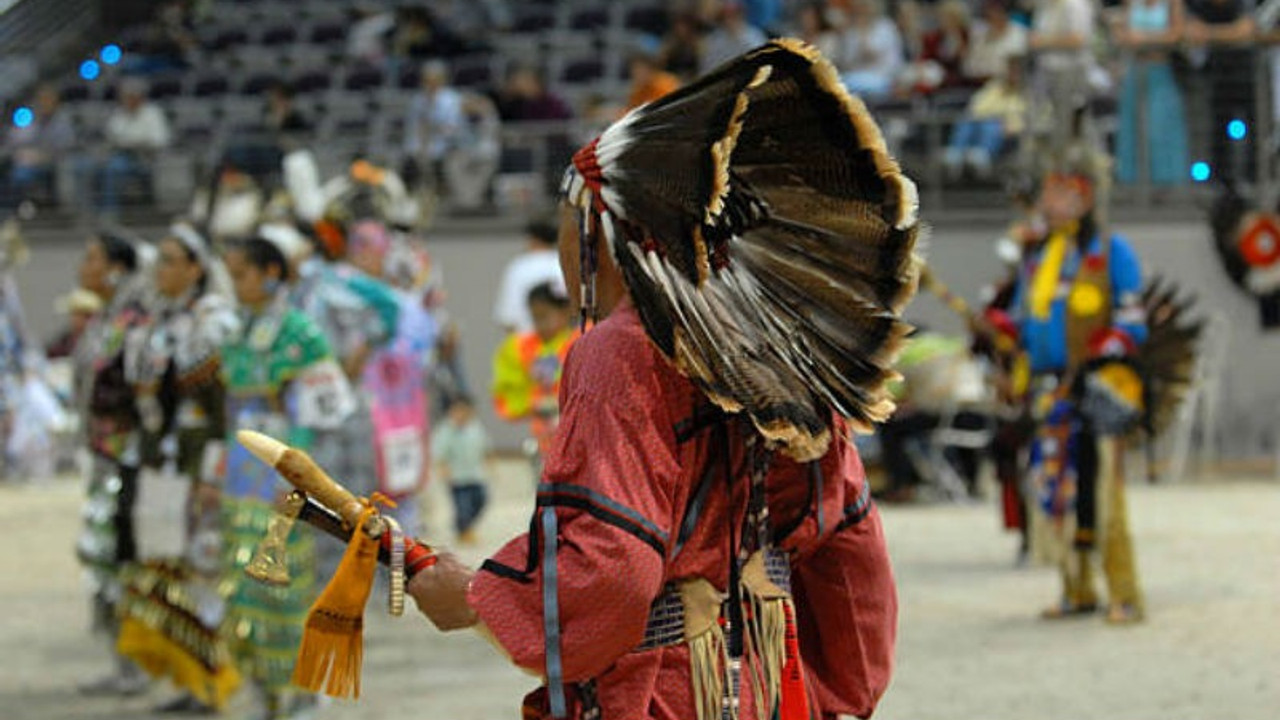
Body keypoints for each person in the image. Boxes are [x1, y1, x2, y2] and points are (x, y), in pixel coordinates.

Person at [408, 41, 909, 720]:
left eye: (566, 223)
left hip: (662, 693)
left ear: (598, 230)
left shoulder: (618, 353)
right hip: (771, 681)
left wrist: (478, 598)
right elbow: (847, 535)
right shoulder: (780, 336)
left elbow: (611, 569)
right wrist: (841, 687)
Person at [1010, 148, 1149, 624]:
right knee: (1056, 489)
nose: (1047, 200)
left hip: (1098, 388)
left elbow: (1133, 319)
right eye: (1047, 190)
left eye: (1058, 191)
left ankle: (1124, 592)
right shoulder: (1042, 256)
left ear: (1083, 197)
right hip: (1052, 389)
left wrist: (1104, 350)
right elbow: (1024, 319)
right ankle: (1077, 587)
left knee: (1104, 494)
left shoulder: (1111, 251)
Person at [115, 223, 242, 714]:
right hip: (160, 462)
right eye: (159, 260)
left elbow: (224, 408)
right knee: (167, 564)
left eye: (171, 260)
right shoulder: (155, 320)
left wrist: (214, 472)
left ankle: (216, 679)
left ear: (196, 268)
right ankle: (190, 678)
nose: (161, 270)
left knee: (203, 565)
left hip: (199, 465)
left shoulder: (214, 324)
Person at [220, 233, 344, 719]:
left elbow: (324, 414)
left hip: (284, 477)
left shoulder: (302, 334)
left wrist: (298, 477)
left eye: (243, 275)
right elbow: (227, 410)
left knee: (284, 583)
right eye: (231, 276)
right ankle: (260, 688)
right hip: (240, 474)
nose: (236, 285)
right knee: (242, 580)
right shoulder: (235, 331)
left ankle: (303, 691)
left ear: (271, 273)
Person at [73, 230, 152, 696]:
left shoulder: (133, 322)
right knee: (104, 556)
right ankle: (124, 661)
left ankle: (136, 664)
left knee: (121, 556)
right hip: (106, 456)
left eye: (92, 258)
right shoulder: (108, 319)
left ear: (116, 268)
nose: (84, 267)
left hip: (130, 458)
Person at [346, 219, 436, 537]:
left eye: (370, 249)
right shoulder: (341, 297)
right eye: (358, 248)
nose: (364, 257)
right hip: (360, 413)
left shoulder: (404, 306)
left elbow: (419, 357)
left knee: (400, 497)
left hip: (400, 412)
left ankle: (399, 571)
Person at [491, 282, 578, 469]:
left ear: (566, 312)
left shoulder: (580, 340)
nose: (539, 324)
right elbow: (507, 389)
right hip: (543, 439)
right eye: (535, 318)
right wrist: (532, 405)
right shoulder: (522, 348)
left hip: (579, 438)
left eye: (545, 317)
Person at [1114, 0, 1190, 187]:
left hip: (1160, 70)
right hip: (1136, 70)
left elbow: (1178, 33)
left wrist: (1145, 39)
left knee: (1160, 126)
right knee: (1131, 125)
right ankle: (1132, 181)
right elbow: (1122, 33)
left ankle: (1165, 181)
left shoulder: (1173, 3)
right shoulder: (1131, 3)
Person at [1185, 0, 1256, 182]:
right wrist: (1227, 33)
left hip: (1246, 74)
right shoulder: (1198, 5)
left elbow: (1246, 30)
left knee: (1251, 127)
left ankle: (1252, 176)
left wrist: (1210, 33)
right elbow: (1191, 30)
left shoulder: (1243, 4)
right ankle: (1222, 180)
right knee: (1218, 128)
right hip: (1215, 75)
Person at [90, 78, 172, 215]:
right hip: (121, 155)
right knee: (95, 168)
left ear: (140, 97)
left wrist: (135, 142)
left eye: (132, 97)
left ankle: (110, 212)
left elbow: (160, 140)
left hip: (145, 158)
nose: (128, 100)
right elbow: (112, 136)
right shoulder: (119, 114)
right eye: (125, 97)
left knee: (113, 169)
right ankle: (96, 210)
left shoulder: (153, 113)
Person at [1028, 0, 1097, 154]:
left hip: (1070, 71)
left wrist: (1044, 42)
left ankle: (1075, 171)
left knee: (1069, 125)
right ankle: (1053, 170)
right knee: (1045, 125)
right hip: (1045, 71)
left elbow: (1078, 39)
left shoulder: (1076, 5)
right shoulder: (1045, 6)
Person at [944, 55, 1029, 178]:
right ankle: (954, 155)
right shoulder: (995, 87)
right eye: (1011, 70)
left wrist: (1010, 126)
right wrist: (993, 115)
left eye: (1016, 71)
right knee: (966, 119)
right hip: (983, 123)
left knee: (991, 126)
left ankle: (981, 157)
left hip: (1007, 132)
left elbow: (1031, 120)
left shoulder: (1029, 92)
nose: (1012, 74)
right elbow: (976, 106)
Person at [430, 395, 491, 545]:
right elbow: (440, 453)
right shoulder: (446, 431)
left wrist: (490, 462)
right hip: (457, 478)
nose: (461, 415)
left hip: (475, 475)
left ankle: (463, 527)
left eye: (465, 411)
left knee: (481, 500)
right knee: (462, 507)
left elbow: (485, 446)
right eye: (457, 411)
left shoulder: (475, 428)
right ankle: (464, 531)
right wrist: (443, 468)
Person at [2, 84, 74, 209]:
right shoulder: (34, 119)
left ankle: (23, 208)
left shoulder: (63, 122)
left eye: (47, 101)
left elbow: (63, 150)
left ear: (55, 103)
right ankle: (14, 211)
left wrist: (39, 157)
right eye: (41, 101)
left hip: (55, 163)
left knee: (21, 174)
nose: (44, 104)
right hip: (32, 162)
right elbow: (18, 140)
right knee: (11, 168)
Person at [492, 217, 564, 334]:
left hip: (526, 343)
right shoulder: (563, 264)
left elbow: (508, 318)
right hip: (564, 343)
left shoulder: (518, 267)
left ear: (533, 240)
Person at [404, 61, 465, 194]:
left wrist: (435, 129)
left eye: (434, 80)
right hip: (422, 144)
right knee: (411, 157)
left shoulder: (452, 99)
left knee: (440, 159)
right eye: (427, 80)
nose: (430, 84)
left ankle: (441, 190)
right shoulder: (418, 100)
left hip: (446, 143)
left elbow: (453, 127)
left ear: (441, 80)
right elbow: (413, 127)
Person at [834, 0, 904, 99]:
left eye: (865, 6)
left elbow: (894, 60)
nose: (862, 10)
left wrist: (865, 39)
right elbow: (846, 61)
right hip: (855, 77)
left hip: (882, 76)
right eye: (859, 7)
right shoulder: (850, 31)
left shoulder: (886, 27)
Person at [964, 0, 1029, 83]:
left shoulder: (1019, 33)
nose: (994, 18)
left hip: (1007, 82)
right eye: (989, 15)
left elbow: (1015, 64)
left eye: (997, 13)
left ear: (1005, 14)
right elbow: (970, 66)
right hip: (979, 81)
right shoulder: (981, 35)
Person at [700, 1, 768, 73]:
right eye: (726, 16)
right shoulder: (714, 40)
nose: (729, 20)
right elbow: (707, 69)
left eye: (733, 15)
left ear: (741, 15)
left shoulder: (754, 37)